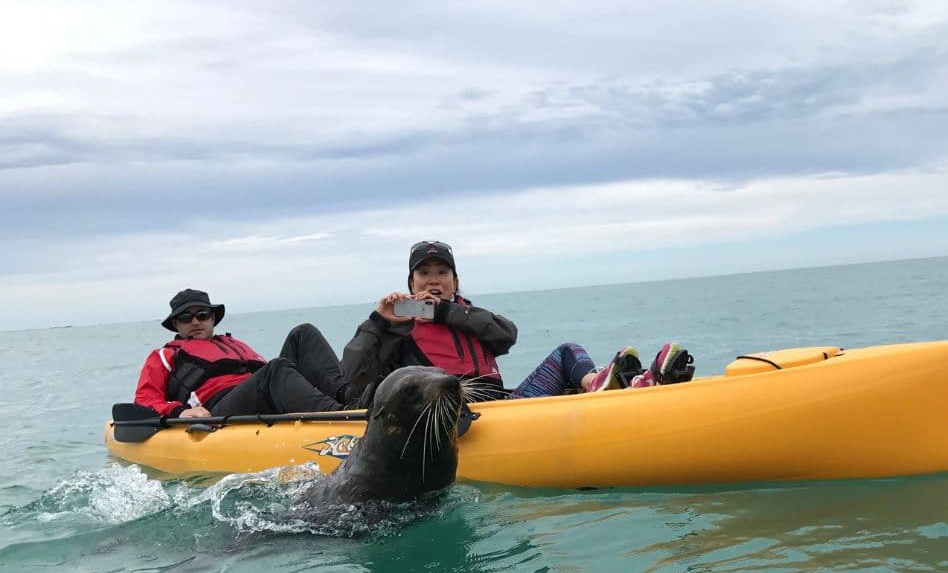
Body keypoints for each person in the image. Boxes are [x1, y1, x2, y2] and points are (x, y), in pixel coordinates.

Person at [341, 240, 694, 402]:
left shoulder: (467, 316)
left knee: (567, 351)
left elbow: (506, 335)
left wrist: (444, 311)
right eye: (424, 273)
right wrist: (378, 320)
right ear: (411, 284)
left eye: (443, 272)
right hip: (457, 414)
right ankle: (615, 386)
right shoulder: (398, 327)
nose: (434, 279)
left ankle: (609, 384)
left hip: (504, 407)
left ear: (455, 280)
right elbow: (354, 372)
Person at [134, 288, 357, 418]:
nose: (195, 322)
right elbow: (144, 400)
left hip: (258, 395)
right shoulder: (163, 356)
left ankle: (352, 399)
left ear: (212, 318)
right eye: (185, 318)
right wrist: (179, 411)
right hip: (220, 409)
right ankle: (341, 415)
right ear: (175, 324)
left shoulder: (233, 343)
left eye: (202, 315)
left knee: (303, 333)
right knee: (275, 369)